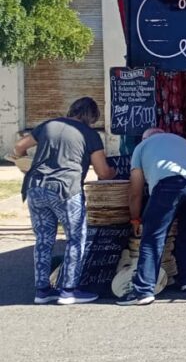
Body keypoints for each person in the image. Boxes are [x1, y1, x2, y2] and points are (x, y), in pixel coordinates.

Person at [15, 97, 116, 305]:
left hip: (35, 187)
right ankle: (69, 290)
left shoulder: (48, 125)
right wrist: (114, 172)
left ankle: (42, 291)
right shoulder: (89, 135)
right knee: (75, 239)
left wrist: (24, 160)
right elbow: (103, 172)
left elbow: (19, 147)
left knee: (43, 239)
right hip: (65, 190)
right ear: (92, 116)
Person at [117, 128, 186, 306]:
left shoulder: (142, 147)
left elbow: (135, 191)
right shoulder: (181, 140)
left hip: (168, 183)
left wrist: (136, 218)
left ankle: (143, 291)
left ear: (144, 138)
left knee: (152, 237)